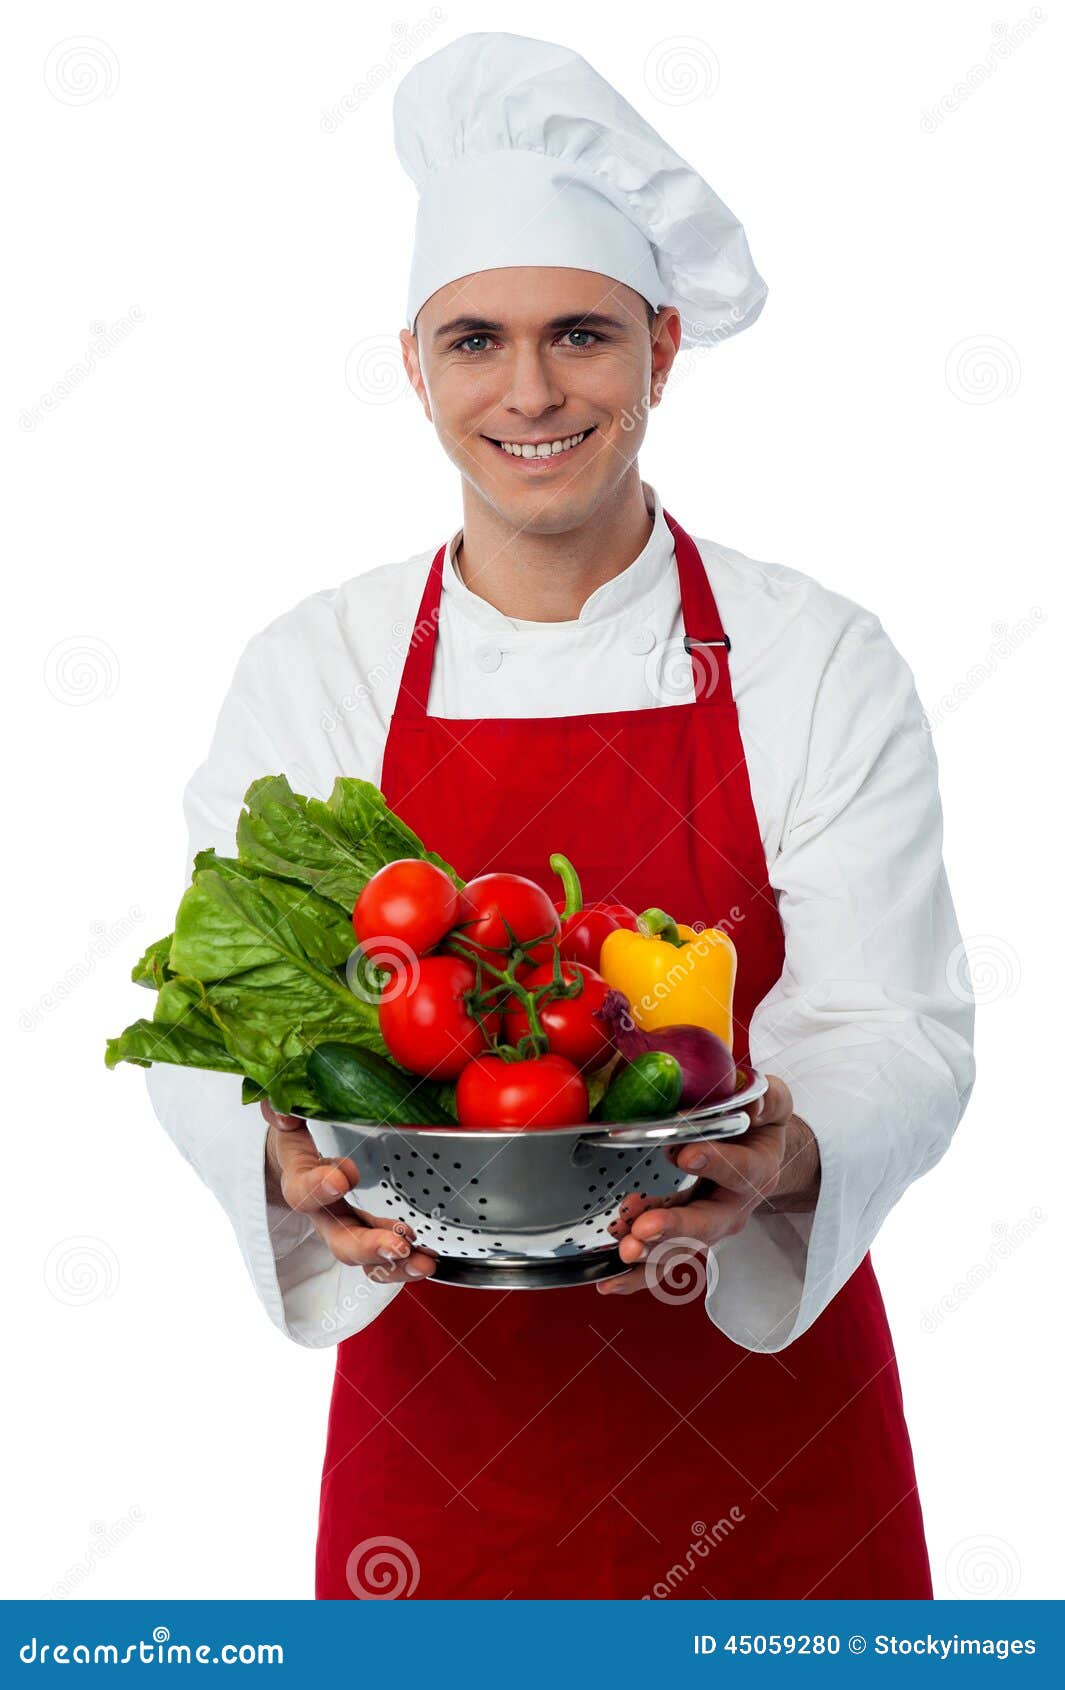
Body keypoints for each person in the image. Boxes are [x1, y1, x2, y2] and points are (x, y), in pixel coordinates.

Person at [144, 31, 975, 1599]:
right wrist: (280, 1155)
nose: (528, 392)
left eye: (580, 334)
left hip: (772, 1449)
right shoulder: (314, 671)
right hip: (437, 1456)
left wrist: (788, 1154)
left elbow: (900, 1021)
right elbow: (211, 1026)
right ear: (412, 364)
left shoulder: (813, 658)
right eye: (475, 340)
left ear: (663, 348)